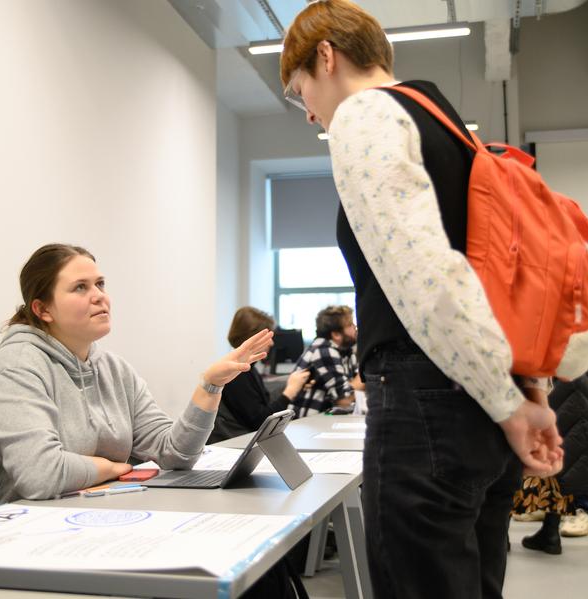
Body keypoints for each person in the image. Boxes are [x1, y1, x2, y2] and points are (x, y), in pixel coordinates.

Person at [280, 2, 563, 597]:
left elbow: (428, 279)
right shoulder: (450, 125)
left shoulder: (365, 116)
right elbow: (491, 278)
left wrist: (513, 408)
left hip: (426, 402)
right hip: (484, 398)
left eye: (300, 88)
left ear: (326, 57)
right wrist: (521, 395)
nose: (308, 111)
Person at [0, 244, 273, 504]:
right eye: (80, 287)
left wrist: (210, 385)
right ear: (43, 310)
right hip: (20, 528)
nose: (99, 296)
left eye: (100, 284)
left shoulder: (115, 369)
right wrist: (114, 468)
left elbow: (175, 454)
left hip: (94, 512)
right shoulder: (17, 367)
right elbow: (41, 476)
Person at [514, 357, 588, 554]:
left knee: (519, 453)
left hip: (542, 378)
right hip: (575, 378)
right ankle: (550, 531)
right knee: (560, 456)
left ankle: (501, 537)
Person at [208, 307, 311, 443]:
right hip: (235, 444)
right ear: (252, 338)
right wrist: (289, 392)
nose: (272, 343)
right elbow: (260, 422)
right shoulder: (238, 373)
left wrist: (292, 386)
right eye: (267, 337)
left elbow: (261, 405)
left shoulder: (248, 369)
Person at [290, 305, 360, 417]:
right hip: (307, 423)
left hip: (326, 417)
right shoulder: (323, 350)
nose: (355, 328)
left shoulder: (347, 350)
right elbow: (344, 401)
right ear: (336, 334)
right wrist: (368, 371)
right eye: (350, 325)